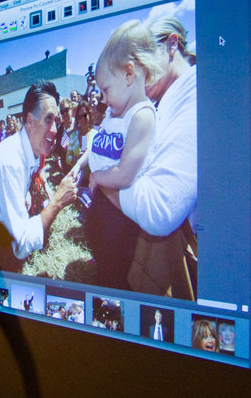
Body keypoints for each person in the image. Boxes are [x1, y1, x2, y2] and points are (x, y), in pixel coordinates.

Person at [99, 16, 198, 299]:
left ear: (171, 45)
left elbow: (160, 209)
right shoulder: (163, 101)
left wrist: (105, 182)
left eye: (144, 57)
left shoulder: (195, 94)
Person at [70, 19, 162, 290]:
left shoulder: (142, 116)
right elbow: (98, 145)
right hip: (103, 197)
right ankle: (100, 262)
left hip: (121, 209)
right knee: (93, 232)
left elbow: (124, 173)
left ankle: (112, 290)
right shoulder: (113, 112)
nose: (103, 98)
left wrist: (97, 177)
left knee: (115, 251)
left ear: (129, 74)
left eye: (106, 89)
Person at [0, 80, 78, 260]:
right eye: (48, 119)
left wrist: (23, 195)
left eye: (56, 121)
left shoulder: (30, 150)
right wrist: (57, 201)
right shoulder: (10, 160)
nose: (56, 130)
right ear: (30, 121)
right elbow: (21, 244)